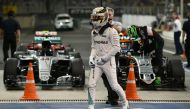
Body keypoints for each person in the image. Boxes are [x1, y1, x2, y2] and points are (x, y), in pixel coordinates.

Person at [88, 7, 129, 109]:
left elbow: (117, 48)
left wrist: (105, 58)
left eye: (96, 17)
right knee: (91, 85)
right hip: (97, 61)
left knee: (114, 86)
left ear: (103, 18)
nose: (94, 19)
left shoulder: (112, 31)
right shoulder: (93, 32)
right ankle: (90, 105)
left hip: (108, 62)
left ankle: (125, 102)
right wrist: (91, 57)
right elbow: (94, 47)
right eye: (93, 17)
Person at [101, 7, 121, 106]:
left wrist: (108, 24)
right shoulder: (101, 25)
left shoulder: (116, 24)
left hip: (114, 53)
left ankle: (114, 98)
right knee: (104, 75)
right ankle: (110, 96)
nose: (108, 16)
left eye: (110, 14)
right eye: (107, 14)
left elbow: (118, 29)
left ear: (113, 15)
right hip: (103, 53)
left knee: (112, 75)